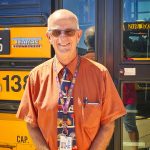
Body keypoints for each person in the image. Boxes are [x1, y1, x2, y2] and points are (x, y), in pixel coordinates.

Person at [16, 9, 126, 150]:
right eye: (56, 32)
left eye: (69, 31)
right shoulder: (36, 77)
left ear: (78, 35)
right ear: (49, 37)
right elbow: (31, 124)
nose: (63, 38)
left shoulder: (100, 74)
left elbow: (108, 124)